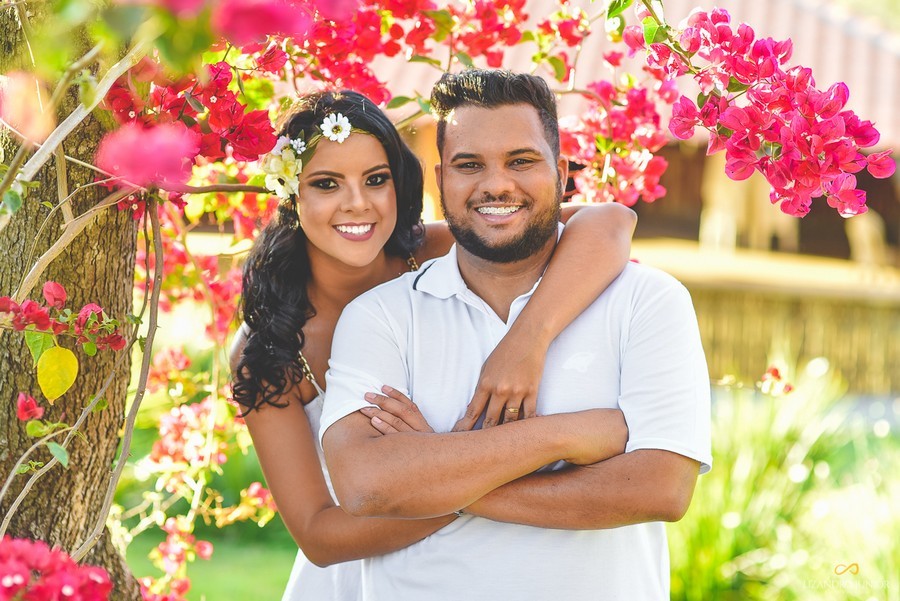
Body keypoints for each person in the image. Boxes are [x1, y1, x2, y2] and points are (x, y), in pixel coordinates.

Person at [320, 70, 713, 601]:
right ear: (442, 180)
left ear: (563, 171)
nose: (496, 184)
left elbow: (660, 489)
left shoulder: (648, 301)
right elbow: (364, 483)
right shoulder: (380, 316)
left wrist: (432, 470)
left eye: (521, 161)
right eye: (469, 165)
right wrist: (564, 436)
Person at [229, 89, 637, 601]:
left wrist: (526, 340)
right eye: (327, 183)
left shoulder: (439, 250)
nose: (357, 203)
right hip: (352, 578)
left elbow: (610, 221)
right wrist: (451, 475)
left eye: (375, 180)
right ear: (291, 194)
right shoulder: (268, 348)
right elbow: (319, 535)